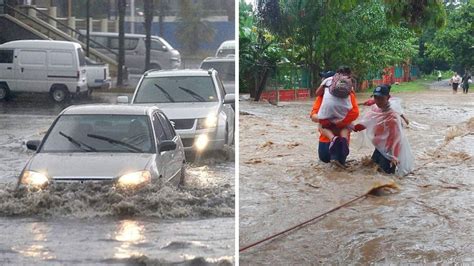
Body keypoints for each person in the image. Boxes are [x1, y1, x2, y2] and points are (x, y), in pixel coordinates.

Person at [353, 85, 414, 176]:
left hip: (389, 152)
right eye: (376, 97)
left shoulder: (392, 117)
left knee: (386, 176)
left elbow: (396, 139)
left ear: (388, 97)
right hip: (379, 149)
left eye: (381, 98)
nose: (378, 101)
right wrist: (351, 127)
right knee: (371, 170)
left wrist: (394, 157)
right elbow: (366, 123)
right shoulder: (375, 109)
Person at [310, 68, 359, 167]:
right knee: (339, 169)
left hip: (325, 140)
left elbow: (313, 116)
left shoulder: (322, 97)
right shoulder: (349, 95)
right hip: (341, 141)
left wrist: (326, 121)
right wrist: (340, 123)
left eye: (323, 77)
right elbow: (355, 113)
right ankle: (342, 140)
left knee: (325, 169)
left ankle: (333, 138)